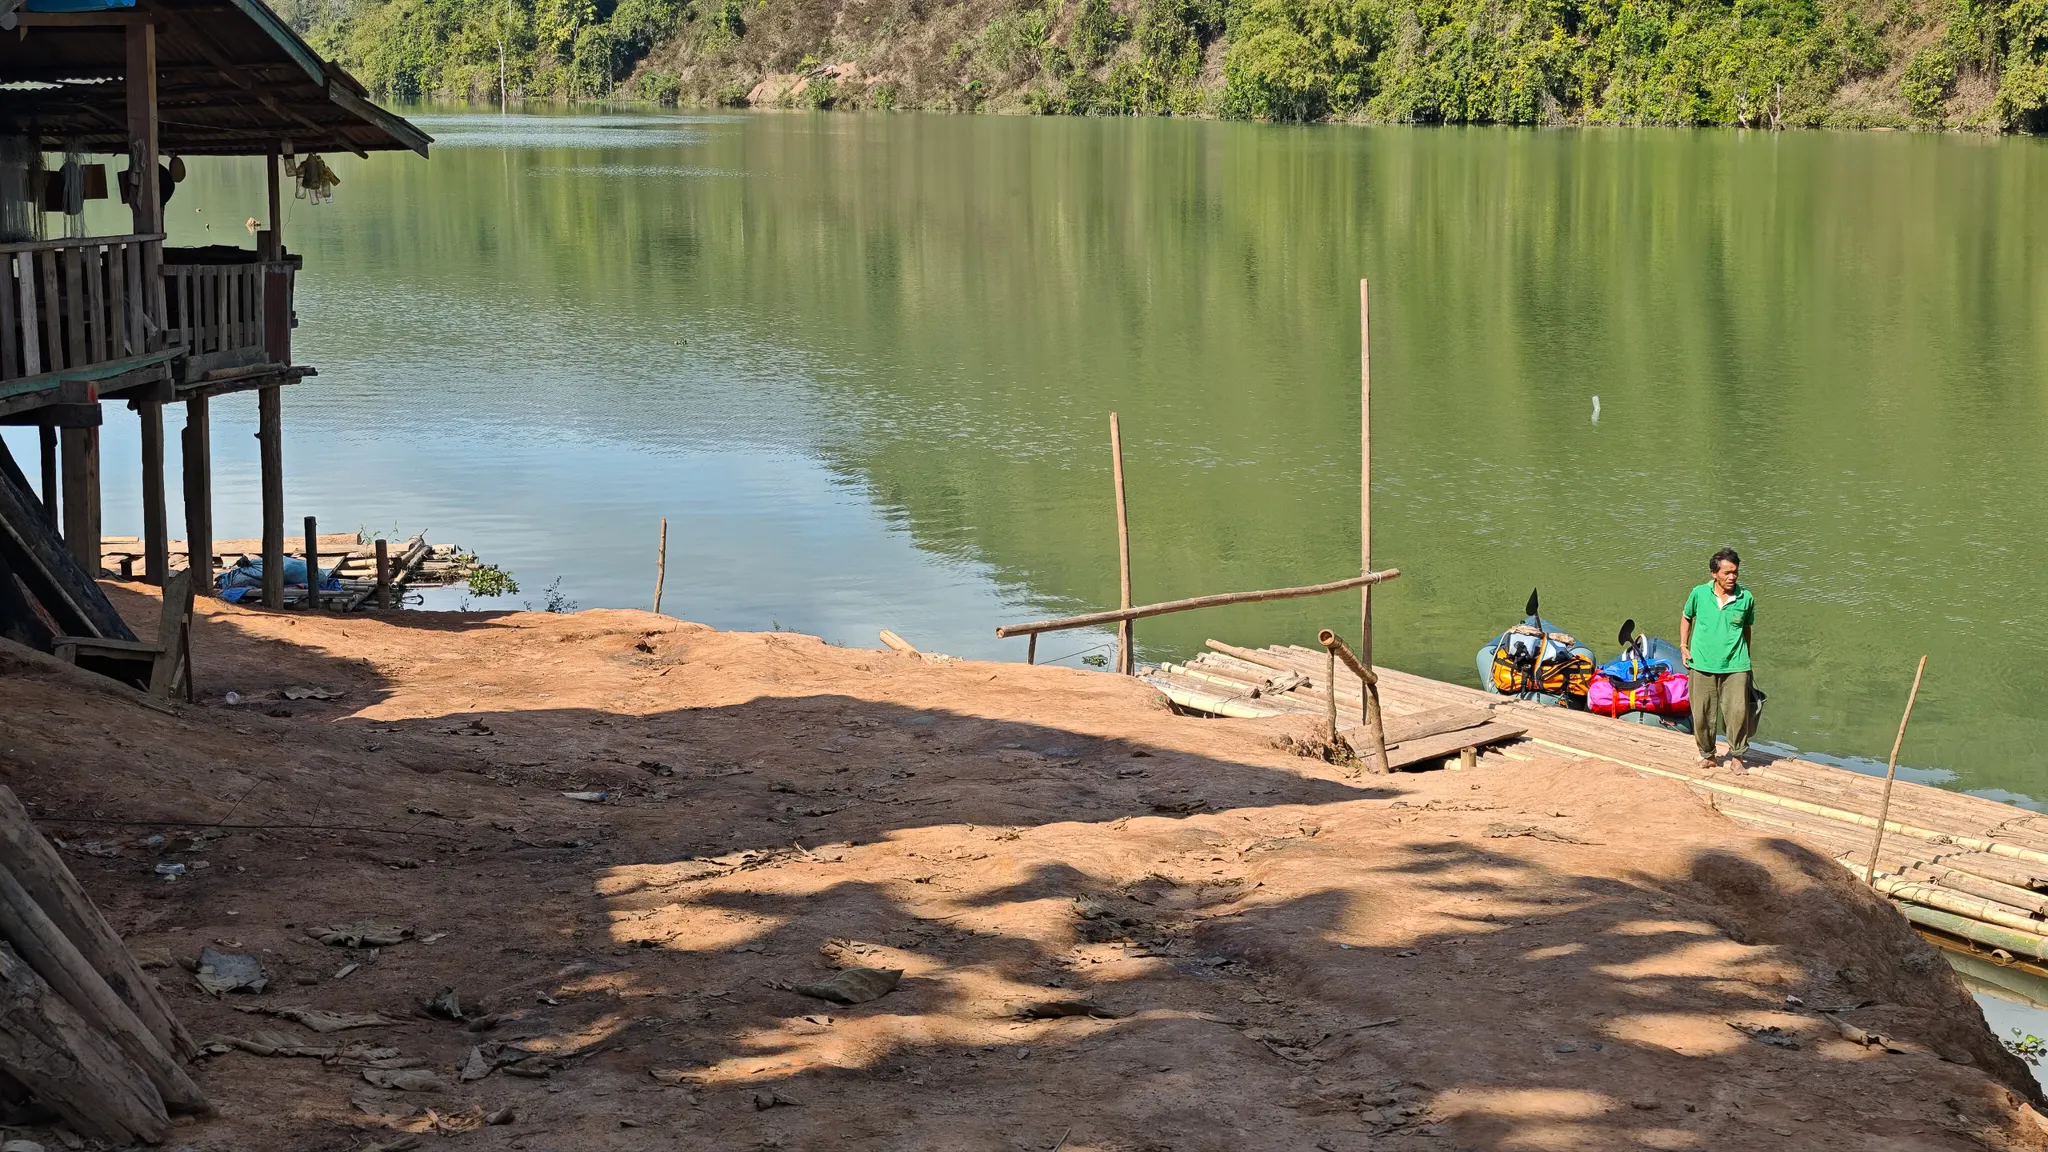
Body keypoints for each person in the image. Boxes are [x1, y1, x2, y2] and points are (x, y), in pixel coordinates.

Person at [1680, 548, 1755, 771]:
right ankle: (1708, 754)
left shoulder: (1746, 598)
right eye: (1727, 573)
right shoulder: (1699, 594)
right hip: (1701, 663)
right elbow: (1686, 618)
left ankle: (1737, 757)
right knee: (1702, 714)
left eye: (1735, 573)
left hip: (1736, 665)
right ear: (1714, 573)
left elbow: (1747, 629)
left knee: (1737, 713)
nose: (1732, 577)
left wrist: (1746, 658)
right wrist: (1684, 646)